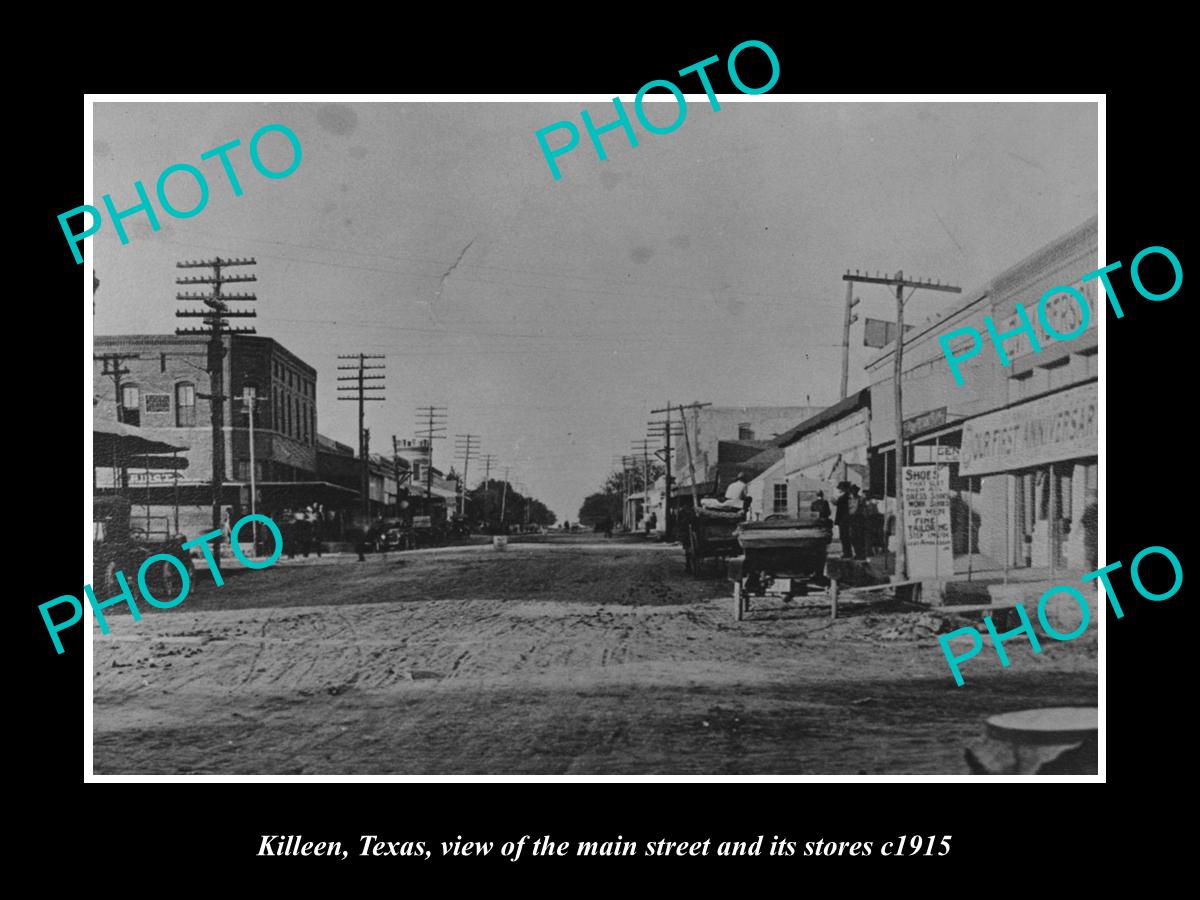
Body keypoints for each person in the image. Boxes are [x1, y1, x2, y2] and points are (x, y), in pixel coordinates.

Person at [834, 482, 854, 558]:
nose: (840, 489)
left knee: (844, 536)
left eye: (841, 488)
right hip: (845, 519)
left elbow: (838, 504)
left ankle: (847, 553)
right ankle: (847, 552)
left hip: (843, 519)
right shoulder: (847, 496)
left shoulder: (844, 497)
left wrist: (834, 501)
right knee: (845, 536)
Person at [849, 484, 868, 560]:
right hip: (852, 519)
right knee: (853, 537)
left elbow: (864, 509)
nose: (853, 492)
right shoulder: (850, 500)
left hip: (859, 519)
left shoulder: (861, 499)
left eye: (855, 491)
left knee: (860, 537)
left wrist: (865, 519)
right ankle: (857, 553)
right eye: (852, 491)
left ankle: (861, 554)